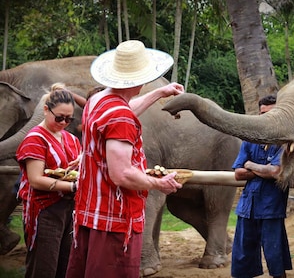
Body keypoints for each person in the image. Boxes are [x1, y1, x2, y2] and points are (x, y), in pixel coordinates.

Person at [65, 40, 184, 278]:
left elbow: (125, 110)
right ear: (140, 79)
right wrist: (158, 184)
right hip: (115, 219)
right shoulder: (121, 117)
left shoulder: (97, 102)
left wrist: (160, 92)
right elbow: (121, 174)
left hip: (91, 212)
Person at [16, 83, 82, 278]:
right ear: (46, 110)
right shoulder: (35, 139)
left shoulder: (70, 139)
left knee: (65, 267)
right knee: (43, 268)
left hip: (68, 208)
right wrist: (73, 186)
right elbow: (36, 180)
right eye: (59, 117)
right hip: (44, 210)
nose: (63, 122)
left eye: (68, 119)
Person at [231, 94, 292, 278]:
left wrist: (250, 165)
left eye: (272, 113)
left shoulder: (287, 143)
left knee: (275, 258)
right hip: (247, 208)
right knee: (242, 259)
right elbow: (238, 173)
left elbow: (276, 172)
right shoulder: (250, 140)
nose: (267, 118)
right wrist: (263, 170)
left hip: (271, 209)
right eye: (263, 113)